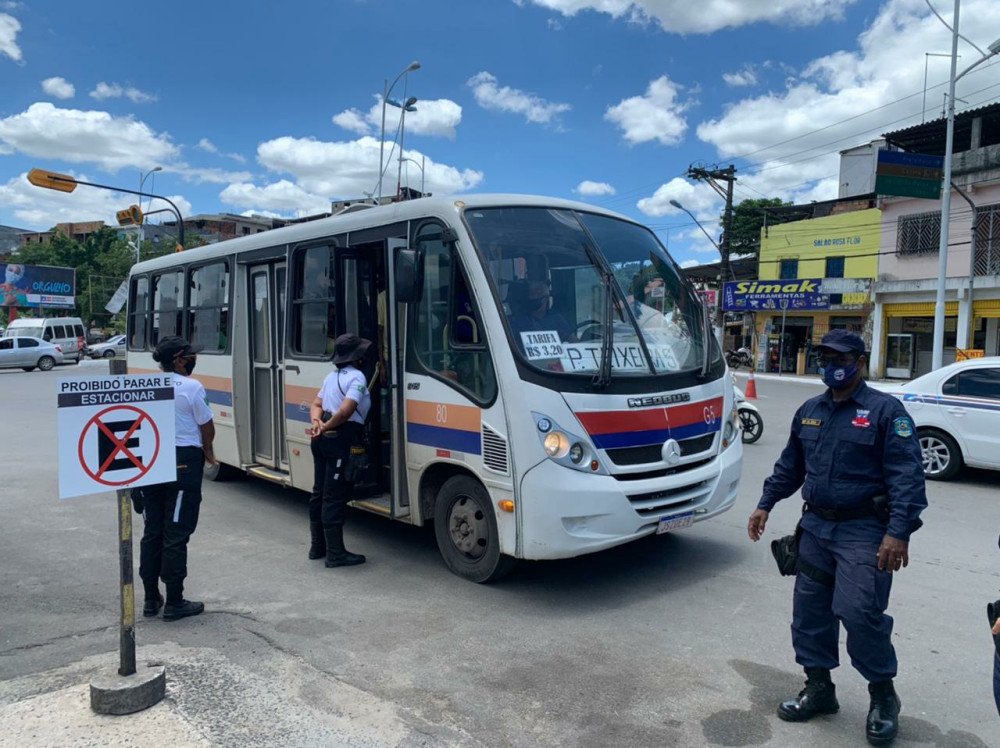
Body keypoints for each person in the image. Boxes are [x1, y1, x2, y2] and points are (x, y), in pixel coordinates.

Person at [747, 329, 927, 746]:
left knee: (859, 610)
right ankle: (819, 687)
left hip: (865, 530)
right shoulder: (810, 410)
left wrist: (898, 532)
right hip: (816, 528)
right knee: (809, 612)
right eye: (824, 356)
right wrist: (766, 503)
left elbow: (908, 478)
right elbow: (790, 465)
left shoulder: (885, 412)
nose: (831, 364)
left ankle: (883, 696)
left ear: (860, 362)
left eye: (840, 357)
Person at [139, 336, 216, 621]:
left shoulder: (148, 385)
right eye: (190, 356)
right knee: (176, 532)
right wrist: (208, 451)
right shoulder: (192, 387)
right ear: (179, 360)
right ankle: (174, 601)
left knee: (152, 532)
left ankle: (150, 599)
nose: (194, 360)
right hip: (183, 462)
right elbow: (206, 426)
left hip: (150, 462)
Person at [307, 333, 372, 568]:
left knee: (319, 491)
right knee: (334, 496)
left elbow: (316, 404)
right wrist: (327, 426)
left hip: (322, 439)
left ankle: (317, 547)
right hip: (339, 439)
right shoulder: (357, 377)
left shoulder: (330, 376)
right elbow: (346, 411)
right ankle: (335, 554)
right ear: (358, 357)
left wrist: (317, 423)